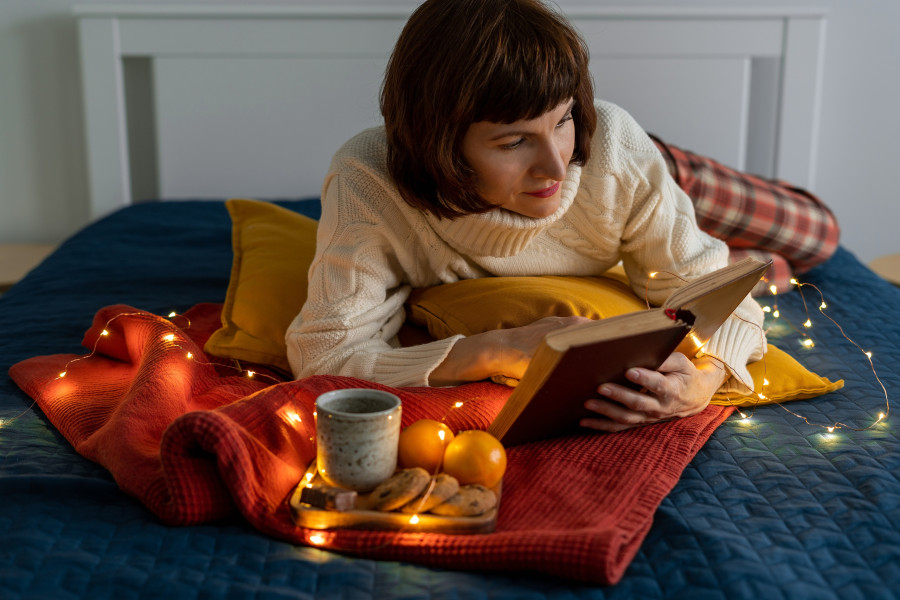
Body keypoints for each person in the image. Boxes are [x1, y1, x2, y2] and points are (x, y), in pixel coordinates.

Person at [286, 0, 768, 432]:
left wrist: (705, 380)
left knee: (817, 235)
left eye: (562, 119)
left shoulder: (608, 149)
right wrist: (498, 348)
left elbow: (724, 298)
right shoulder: (367, 178)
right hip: (625, 204)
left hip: (651, 167)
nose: (556, 167)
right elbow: (326, 354)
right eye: (513, 141)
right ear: (440, 145)